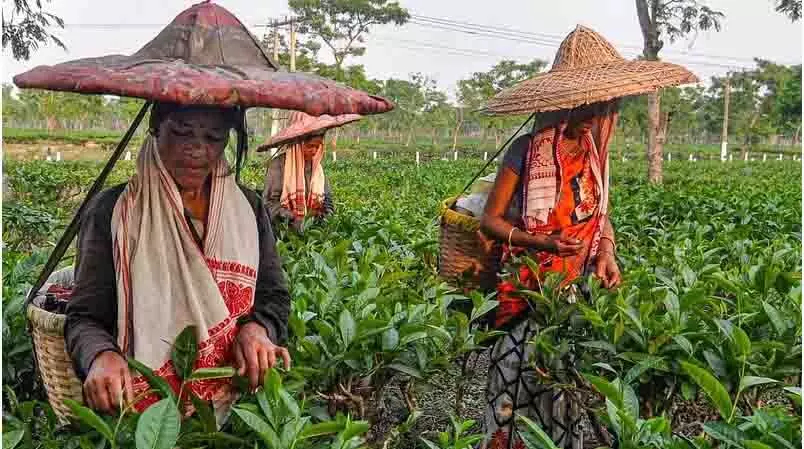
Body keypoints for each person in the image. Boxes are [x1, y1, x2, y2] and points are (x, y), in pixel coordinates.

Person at [65, 102, 292, 421]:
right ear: (156, 129)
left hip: (233, 403)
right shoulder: (114, 212)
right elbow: (83, 318)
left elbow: (274, 297)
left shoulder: (248, 208)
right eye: (181, 132)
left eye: (213, 137)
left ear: (227, 140)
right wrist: (100, 355)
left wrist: (258, 328)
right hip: (139, 410)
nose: (197, 148)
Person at [479, 100, 621, 448]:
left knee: (562, 382)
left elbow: (601, 217)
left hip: (575, 287)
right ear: (562, 108)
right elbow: (491, 220)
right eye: (585, 110)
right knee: (515, 375)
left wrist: (606, 252)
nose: (593, 120)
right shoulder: (526, 149)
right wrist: (543, 242)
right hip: (527, 287)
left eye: (601, 112)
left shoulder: (594, 152)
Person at [260, 111, 360, 232]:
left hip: (313, 231)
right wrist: (292, 218)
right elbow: (268, 203)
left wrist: (325, 214)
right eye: (310, 146)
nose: (313, 151)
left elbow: (327, 198)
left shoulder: (317, 169)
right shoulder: (278, 165)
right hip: (283, 231)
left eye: (317, 147)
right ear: (297, 144)